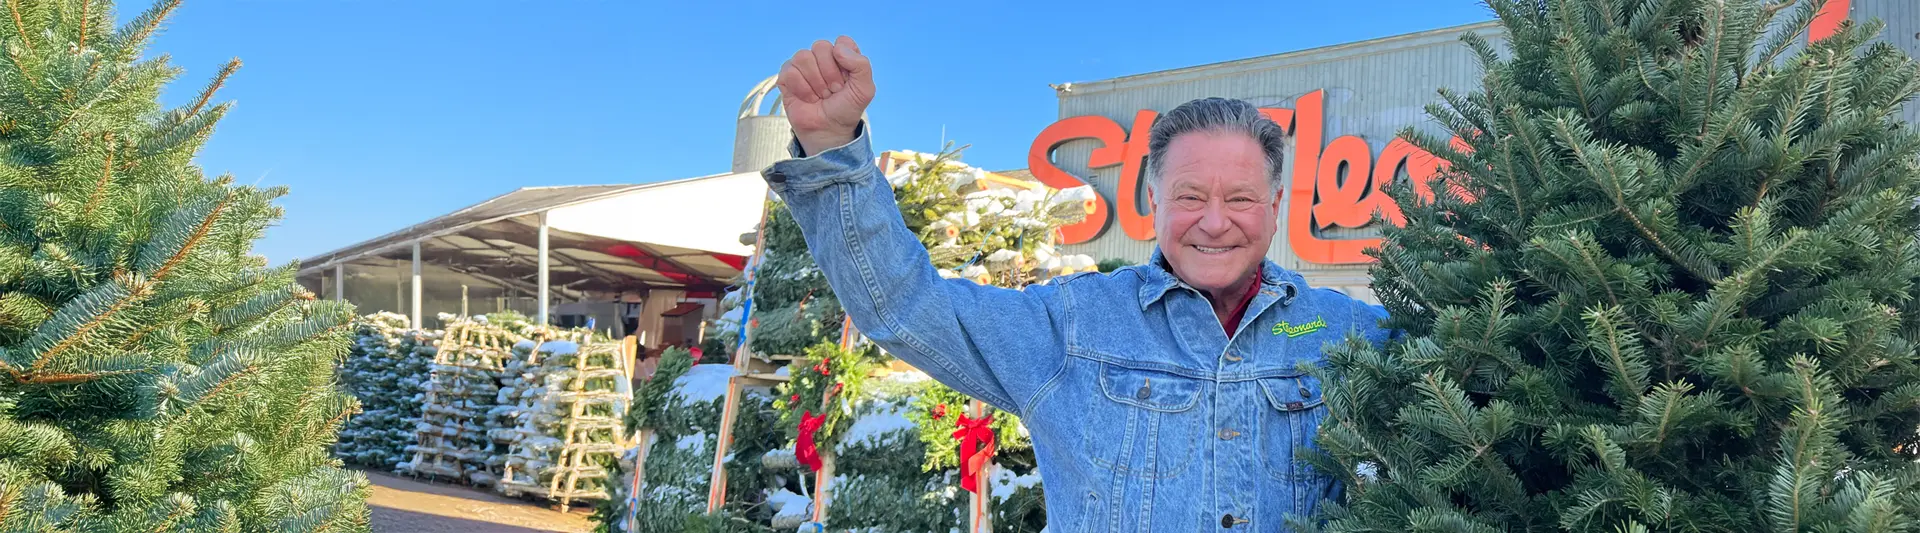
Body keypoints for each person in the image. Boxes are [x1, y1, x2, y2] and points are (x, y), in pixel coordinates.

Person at [762, 36, 1393, 531]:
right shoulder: (1072, 326)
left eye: (1242, 198)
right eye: (1189, 195)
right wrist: (831, 149)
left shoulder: (1346, 332)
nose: (1214, 221)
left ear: (1276, 207)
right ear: (1155, 202)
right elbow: (906, 307)